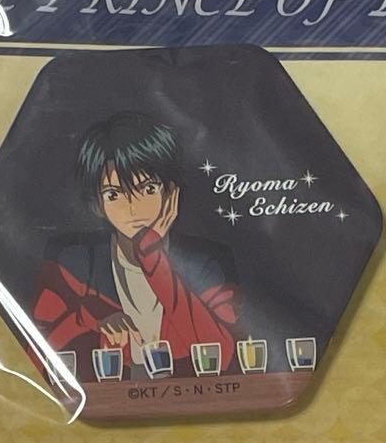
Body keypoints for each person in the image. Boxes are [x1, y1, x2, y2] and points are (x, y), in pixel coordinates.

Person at [31, 112, 239, 379]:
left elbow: (222, 356)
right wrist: (91, 317)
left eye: (148, 189)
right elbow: (35, 355)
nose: (132, 208)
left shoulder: (207, 262)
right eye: (114, 194)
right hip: (106, 397)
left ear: (171, 192)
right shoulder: (72, 263)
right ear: (97, 205)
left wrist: (151, 255)